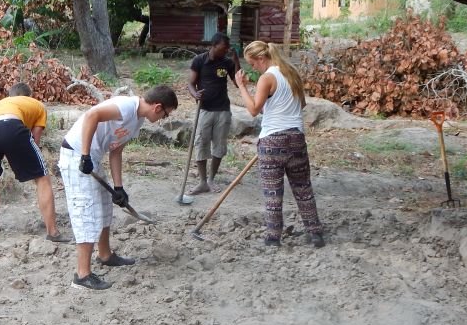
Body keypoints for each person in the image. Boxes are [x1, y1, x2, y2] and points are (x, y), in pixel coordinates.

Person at [59, 86, 179, 290]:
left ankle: (105, 255)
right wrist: (85, 155)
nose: (163, 119)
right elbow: (92, 115)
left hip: (93, 158)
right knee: (85, 212)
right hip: (76, 155)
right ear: (158, 107)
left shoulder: (137, 120)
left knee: (106, 206)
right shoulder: (126, 106)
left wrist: (118, 187)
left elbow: (116, 152)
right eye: (166, 115)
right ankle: (82, 275)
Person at [235, 41, 325, 248]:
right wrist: (255, 89)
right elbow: (298, 105)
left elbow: (254, 110)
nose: (253, 68)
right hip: (296, 139)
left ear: (261, 58)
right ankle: (315, 233)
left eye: (253, 64)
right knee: (303, 189)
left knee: (273, 193)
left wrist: (241, 86)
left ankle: (273, 237)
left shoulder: (267, 78)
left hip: (272, 142)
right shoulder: (291, 73)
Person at [0, 82, 67, 242]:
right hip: (12, 125)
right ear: (28, 95)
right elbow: (35, 141)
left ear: (11, 95)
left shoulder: (1, 103)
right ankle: (52, 232)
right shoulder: (37, 105)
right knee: (42, 177)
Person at [186, 32, 237, 194]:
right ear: (213, 46)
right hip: (205, 109)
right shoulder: (199, 60)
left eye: (227, 49)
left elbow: (237, 82)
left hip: (222, 110)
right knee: (201, 143)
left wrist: (235, 59)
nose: (225, 51)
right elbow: (190, 83)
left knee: (219, 147)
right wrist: (194, 94)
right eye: (223, 48)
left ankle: (211, 179)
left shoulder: (227, 62)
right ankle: (202, 182)